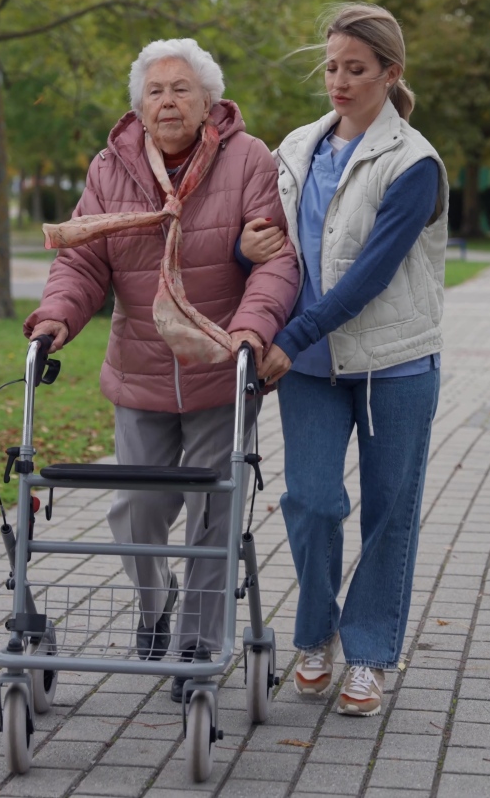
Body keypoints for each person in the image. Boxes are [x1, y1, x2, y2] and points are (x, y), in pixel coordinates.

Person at [24, 38, 299, 701]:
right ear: (140, 107)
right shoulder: (111, 167)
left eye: (181, 88)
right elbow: (85, 260)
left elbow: (276, 259)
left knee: (213, 512)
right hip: (141, 373)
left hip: (219, 373)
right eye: (155, 90)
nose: (168, 99)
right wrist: (57, 315)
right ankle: (154, 604)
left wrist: (252, 330)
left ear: (209, 101)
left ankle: (198, 643)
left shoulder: (248, 159)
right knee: (136, 510)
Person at [253, 3, 448, 717]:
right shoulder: (298, 145)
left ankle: (368, 655)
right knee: (310, 500)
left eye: (355, 69)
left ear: (390, 74)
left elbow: (369, 275)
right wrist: (254, 245)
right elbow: (278, 240)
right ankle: (314, 637)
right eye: (332, 66)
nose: (338, 80)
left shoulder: (415, 162)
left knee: (389, 513)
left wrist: (291, 337)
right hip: (307, 366)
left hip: (392, 364)